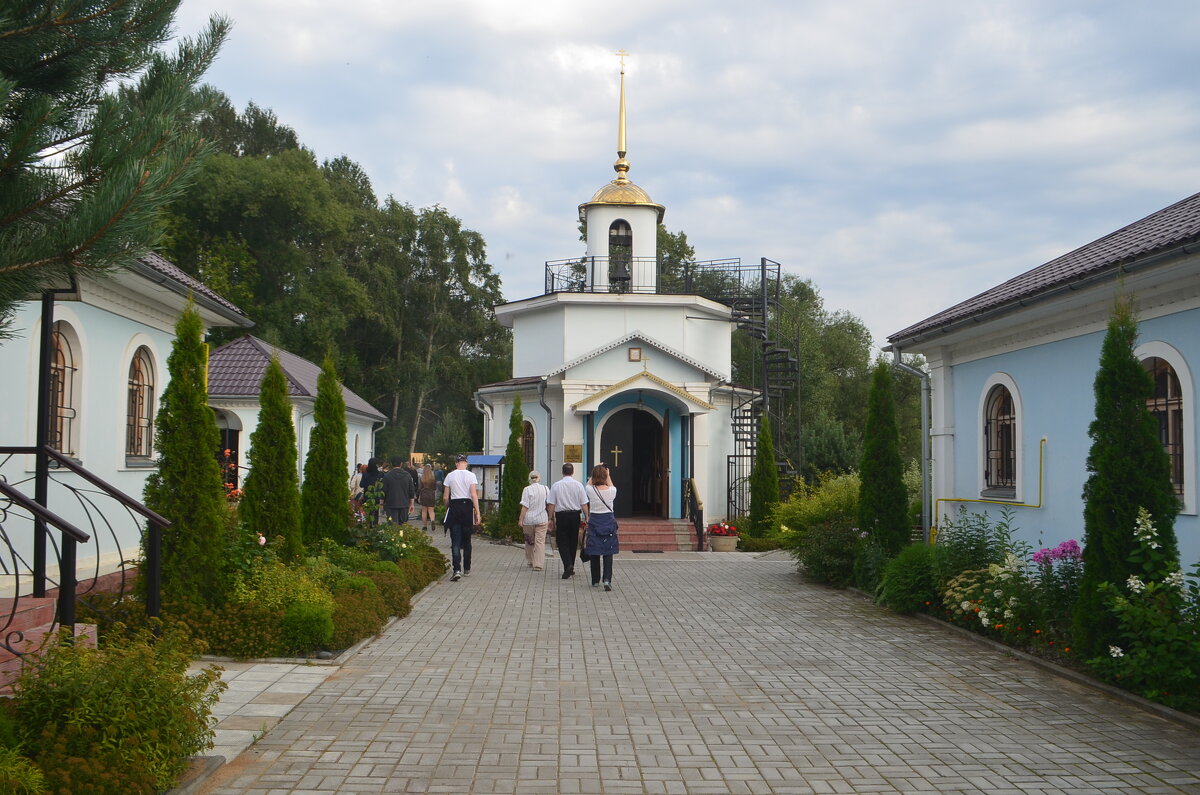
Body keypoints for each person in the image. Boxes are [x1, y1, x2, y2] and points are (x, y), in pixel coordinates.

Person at [547, 463, 588, 579]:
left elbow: (551, 504)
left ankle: (567, 565)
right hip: (575, 516)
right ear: (573, 472)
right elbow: (584, 503)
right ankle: (571, 567)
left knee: (562, 541)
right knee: (573, 541)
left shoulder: (556, 485)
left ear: (562, 472)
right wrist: (587, 516)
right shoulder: (579, 485)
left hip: (562, 516)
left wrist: (550, 518)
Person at [443, 454, 480, 581]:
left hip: (454, 507)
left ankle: (456, 569)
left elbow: (445, 497)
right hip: (467, 507)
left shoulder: (450, 475)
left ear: (456, 463)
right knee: (467, 540)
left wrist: (447, 507)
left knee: (455, 541)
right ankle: (467, 568)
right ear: (466, 463)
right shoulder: (471, 475)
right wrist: (478, 512)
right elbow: (474, 494)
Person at [583, 463, 619, 590]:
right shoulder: (612, 491)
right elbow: (611, 484)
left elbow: (588, 484)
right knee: (608, 552)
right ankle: (607, 579)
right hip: (608, 521)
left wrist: (596, 471)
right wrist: (607, 474)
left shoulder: (590, 490)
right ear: (605, 476)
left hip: (595, 522)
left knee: (594, 551)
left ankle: (595, 580)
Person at [518, 471, 551, 571]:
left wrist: (520, 520)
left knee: (529, 541)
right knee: (540, 542)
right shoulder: (545, 489)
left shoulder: (527, 489)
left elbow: (525, 507)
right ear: (539, 478)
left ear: (529, 478)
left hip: (529, 520)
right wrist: (550, 518)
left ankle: (531, 560)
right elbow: (549, 504)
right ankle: (538, 564)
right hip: (542, 519)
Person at [382, 455, 415, 525]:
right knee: (402, 525)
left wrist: (382, 503)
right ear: (401, 464)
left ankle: (393, 535)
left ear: (391, 464)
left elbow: (383, 491)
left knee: (392, 525)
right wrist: (411, 504)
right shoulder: (407, 475)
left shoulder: (387, 476)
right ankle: (401, 535)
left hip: (391, 504)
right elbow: (411, 491)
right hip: (404, 504)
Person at [358, 458, 384, 524]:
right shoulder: (380, 474)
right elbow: (383, 485)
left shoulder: (366, 474)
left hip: (367, 497)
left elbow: (361, 485)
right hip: (376, 497)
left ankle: (368, 527)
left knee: (368, 513)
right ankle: (375, 527)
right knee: (375, 514)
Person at [417, 464, 438, 533]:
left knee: (424, 511)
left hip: (423, 494)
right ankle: (432, 520)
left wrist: (417, 496)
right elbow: (435, 488)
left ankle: (424, 526)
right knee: (431, 510)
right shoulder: (433, 478)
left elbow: (419, 488)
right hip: (431, 494)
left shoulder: (421, 478)